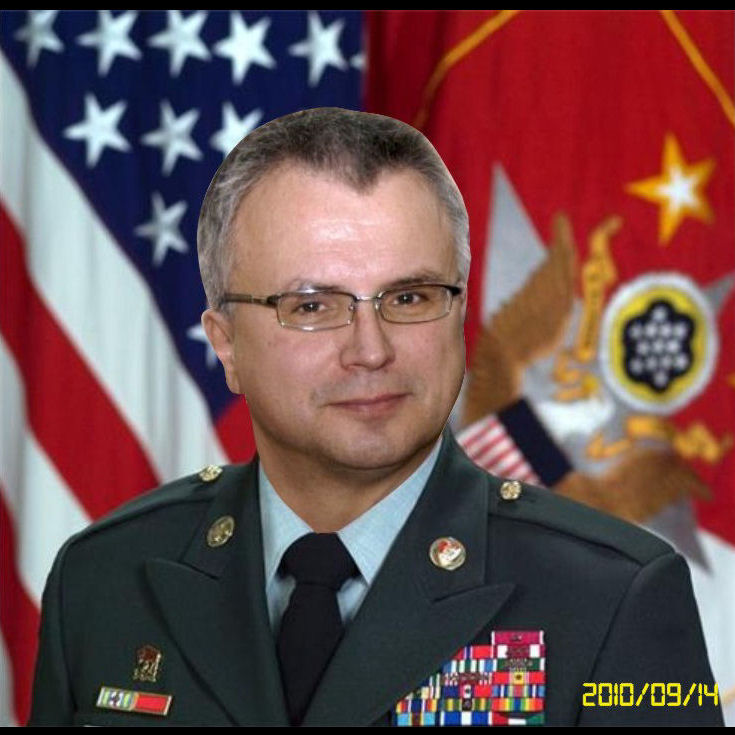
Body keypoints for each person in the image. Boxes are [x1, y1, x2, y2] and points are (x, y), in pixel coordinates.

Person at [29, 108, 722, 726]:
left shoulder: (615, 596)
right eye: (311, 305)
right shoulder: (104, 578)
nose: (370, 349)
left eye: (411, 297)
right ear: (226, 344)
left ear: (458, 313)